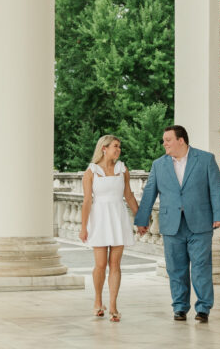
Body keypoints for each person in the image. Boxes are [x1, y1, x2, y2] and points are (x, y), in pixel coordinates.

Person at [134, 125, 220, 324]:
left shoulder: (205, 159)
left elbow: (216, 188)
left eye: (167, 139)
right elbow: (149, 193)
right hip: (171, 225)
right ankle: (179, 307)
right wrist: (142, 221)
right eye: (164, 140)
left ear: (181, 140)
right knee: (176, 268)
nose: (164, 143)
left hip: (201, 223)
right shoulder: (159, 165)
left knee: (201, 267)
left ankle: (203, 308)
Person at [79, 134, 140, 323]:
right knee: (100, 264)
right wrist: (83, 227)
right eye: (115, 146)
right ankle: (98, 301)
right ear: (104, 148)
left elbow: (128, 196)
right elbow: (87, 200)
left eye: (119, 146)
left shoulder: (123, 169)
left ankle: (113, 305)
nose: (118, 149)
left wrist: (140, 217)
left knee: (115, 264)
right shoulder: (91, 172)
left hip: (118, 218)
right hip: (99, 219)